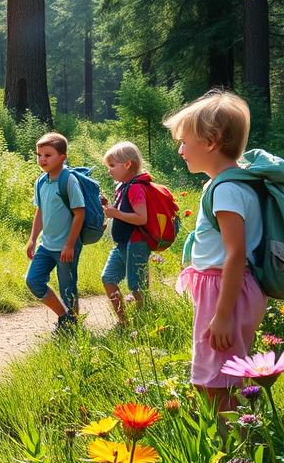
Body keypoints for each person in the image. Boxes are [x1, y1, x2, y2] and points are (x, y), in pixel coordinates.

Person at [163, 90, 265, 411]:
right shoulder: (226, 184)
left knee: (219, 384)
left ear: (211, 141)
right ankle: (232, 444)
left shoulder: (228, 190)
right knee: (215, 378)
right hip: (221, 289)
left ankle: (235, 455)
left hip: (225, 292)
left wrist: (222, 315)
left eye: (184, 141)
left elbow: (235, 255)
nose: (180, 150)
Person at [25, 132, 83, 331]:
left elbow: (79, 214)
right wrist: (32, 239)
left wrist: (69, 244)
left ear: (62, 157)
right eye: (39, 155)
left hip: (66, 248)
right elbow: (40, 211)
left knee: (67, 287)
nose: (42, 159)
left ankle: (73, 327)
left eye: (48, 155)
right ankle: (64, 315)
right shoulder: (41, 181)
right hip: (46, 245)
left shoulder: (69, 181)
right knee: (33, 280)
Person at [100, 141, 151, 327]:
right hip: (121, 244)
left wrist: (115, 213)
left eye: (112, 166)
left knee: (137, 286)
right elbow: (121, 212)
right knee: (108, 278)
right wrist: (110, 207)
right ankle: (124, 322)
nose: (109, 170)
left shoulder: (136, 187)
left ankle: (143, 322)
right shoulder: (122, 186)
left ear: (127, 164)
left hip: (136, 243)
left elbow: (141, 218)